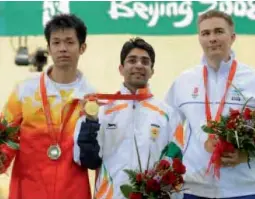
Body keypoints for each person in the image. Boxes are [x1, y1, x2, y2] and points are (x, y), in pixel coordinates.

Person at [165, 10, 255, 199]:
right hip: (194, 190)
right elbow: (167, 130)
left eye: (219, 31)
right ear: (199, 38)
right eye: (205, 33)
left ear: (232, 37)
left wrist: (247, 156)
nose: (212, 38)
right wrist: (176, 165)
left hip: (243, 190)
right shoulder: (183, 82)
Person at [73, 37, 185, 199]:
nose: (139, 65)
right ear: (121, 68)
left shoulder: (168, 114)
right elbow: (86, 160)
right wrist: (90, 121)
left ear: (152, 71)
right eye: (132, 60)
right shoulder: (102, 111)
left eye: (145, 62)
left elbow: (176, 161)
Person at [0, 14, 96, 199]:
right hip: (28, 188)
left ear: (82, 47)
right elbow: (5, 140)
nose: (63, 49)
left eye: (69, 42)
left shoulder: (91, 98)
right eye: (56, 42)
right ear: (49, 49)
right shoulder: (25, 91)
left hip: (73, 189)